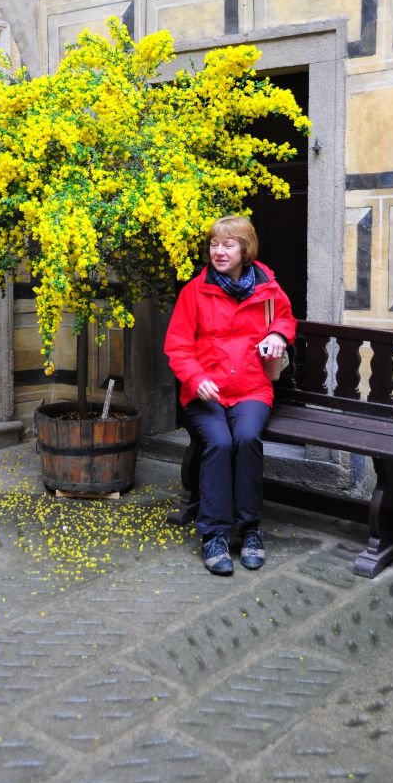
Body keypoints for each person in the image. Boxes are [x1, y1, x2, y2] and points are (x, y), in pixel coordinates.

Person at [164, 215, 296, 575]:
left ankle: (250, 529)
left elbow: (285, 317)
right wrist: (195, 377)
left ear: (245, 248)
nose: (219, 252)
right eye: (214, 244)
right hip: (205, 392)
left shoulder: (267, 287)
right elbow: (177, 345)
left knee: (247, 437)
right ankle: (215, 535)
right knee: (219, 443)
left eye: (228, 244)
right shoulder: (195, 290)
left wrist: (278, 336)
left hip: (252, 388)